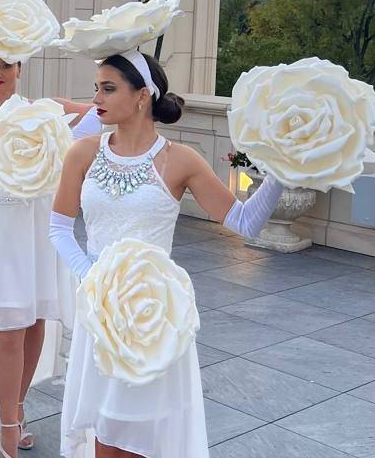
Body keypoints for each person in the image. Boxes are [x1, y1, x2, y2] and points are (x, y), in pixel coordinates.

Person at [48, 49, 283, 458]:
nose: (96, 99)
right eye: (96, 89)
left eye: (108, 89)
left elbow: (244, 222)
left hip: (155, 314)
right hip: (101, 311)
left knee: (147, 434)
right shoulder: (82, 152)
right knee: (106, 429)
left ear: (142, 96)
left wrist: (285, 171)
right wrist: (92, 278)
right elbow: (59, 228)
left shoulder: (181, 160)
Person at [0, 53, 101, 458]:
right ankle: (7, 432)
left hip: (42, 227)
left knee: (35, 324)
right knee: (10, 327)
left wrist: (120, 58)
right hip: (4, 231)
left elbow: (100, 113)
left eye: (6, 66)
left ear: (20, 70)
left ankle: (17, 406)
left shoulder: (47, 111)